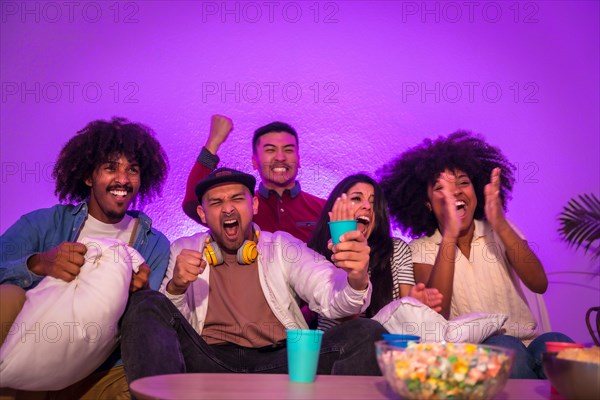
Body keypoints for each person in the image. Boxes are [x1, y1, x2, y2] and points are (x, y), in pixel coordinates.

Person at [120, 167, 386, 382]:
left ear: (254, 205)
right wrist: (177, 287)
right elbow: (171, 328)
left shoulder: (283, 246)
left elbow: (334, 298)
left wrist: (357, 276)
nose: (228, 209)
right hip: (208, 361)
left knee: (367, 331)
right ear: (202, 213)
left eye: (237, 198)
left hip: (281, 363)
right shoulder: (184, 248)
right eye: (216, 202)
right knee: (145, 302)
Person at [378, 131, 574, 379]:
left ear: (475, 191)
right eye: (440, 187)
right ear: (426, 203)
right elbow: (437, 315)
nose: (455, 192)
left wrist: (500, 223)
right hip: (472, 352)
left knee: (559, 343)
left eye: (463, 182)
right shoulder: (421, 249)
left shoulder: (501, 229)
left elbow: (539, 283)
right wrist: (449, 235)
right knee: (506, 348)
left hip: (530, 339)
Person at [0, 117, 170, 398]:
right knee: (6, 295)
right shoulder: (45, 224)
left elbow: (150, 326)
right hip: (29, 356)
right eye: (110, 168)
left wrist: (141, 296)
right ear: (89, 176)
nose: (123, 180)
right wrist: (40, 264)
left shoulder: (153, 245)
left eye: (133, 170)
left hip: (102, 371)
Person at [307, 173, 442, 331]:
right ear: (336, 206)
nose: (367, 206)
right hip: (336, 349)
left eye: (374, 202)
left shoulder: (396, 250)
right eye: (357, 198)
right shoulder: (317, 254)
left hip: (386, 345)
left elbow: (407, 310)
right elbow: (347, 321)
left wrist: (413, 303)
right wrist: (344, 245)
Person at [182, 115, 325, 242]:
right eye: (270, 150)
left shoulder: (325, 208)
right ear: (254, 162)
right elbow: (192, 203)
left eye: (288, 150)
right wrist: (213, 142)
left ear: (298, 160)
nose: (280, 157)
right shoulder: (239, 207)